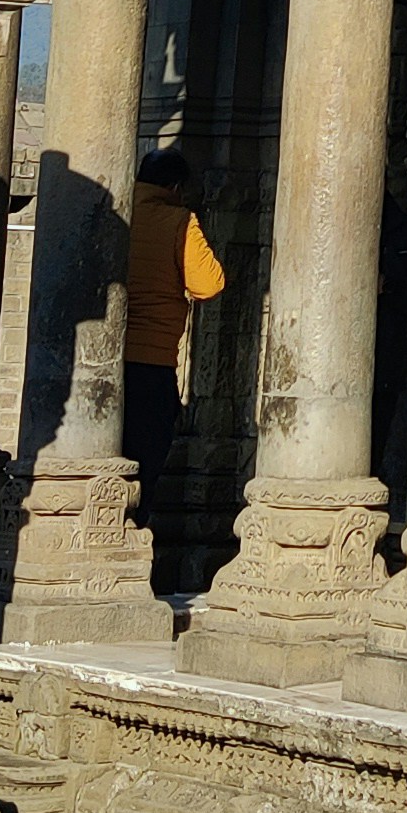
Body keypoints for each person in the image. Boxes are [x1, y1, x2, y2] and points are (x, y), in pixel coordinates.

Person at [121, 147, 225, 529]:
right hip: (152, 358)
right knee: (145, 461)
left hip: (101, 361)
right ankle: (131, 532)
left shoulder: (116, 211)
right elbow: (208, 284)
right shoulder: (178, 220)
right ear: (176, 187)